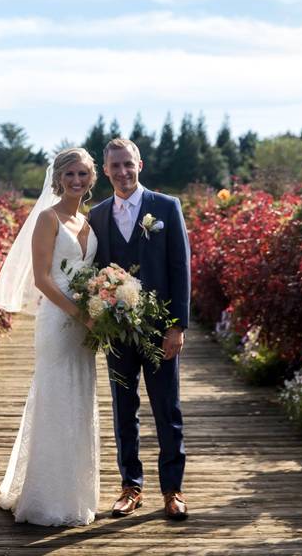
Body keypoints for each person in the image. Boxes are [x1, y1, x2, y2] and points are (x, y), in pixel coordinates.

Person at [0, 147, 101, 526]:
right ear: (58, 178)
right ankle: (45, 498)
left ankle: (74, 494)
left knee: (80, 399)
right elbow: (42, 279)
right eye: (70, 174)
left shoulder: (86, 222)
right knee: (56, 398)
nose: (76, 181)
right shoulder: (48, 219)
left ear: (91, 178)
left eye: (83, 174)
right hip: (58, 321)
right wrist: (79, 314)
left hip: (86, 325)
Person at [87, 138, 191, 521]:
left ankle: (172, 489)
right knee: (123, 409)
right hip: (118, 332)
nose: (122, 172)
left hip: (161, 330)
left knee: (168, 408)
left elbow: (180, 269)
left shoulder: (166, 208)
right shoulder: (97, 215)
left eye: (128, 164)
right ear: (106, 170)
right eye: (115, 166)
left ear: (140, 165)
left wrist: (177, 326)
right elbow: (91, 273)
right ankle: (131, 486)